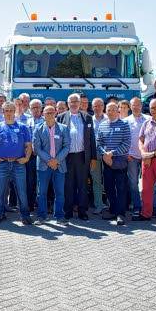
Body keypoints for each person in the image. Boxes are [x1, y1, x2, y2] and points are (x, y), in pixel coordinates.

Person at [0, 101, 33, 225]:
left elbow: (29, 145)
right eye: (6, 110)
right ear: (3, 112)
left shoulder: (23, 127)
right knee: (0, 192)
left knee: (22, 192)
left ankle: (25, 215)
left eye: (11, 110)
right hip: (2, 164)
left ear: (15, 111)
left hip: (18, 164)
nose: (9, 113)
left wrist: (27, 158)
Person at [57, 93, 97, 221]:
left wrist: (93, 158)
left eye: (76, 101)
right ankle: (67, 211)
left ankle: (82, 211)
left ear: (80, 103)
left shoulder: (87, 117)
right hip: (66, 156)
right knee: (68, 185)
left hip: (82, 156)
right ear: (68, 104)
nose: (74, 104)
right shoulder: (61, 117)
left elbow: (91, 138)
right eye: (71, 102)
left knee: (82, 185)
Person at [32, 105, 70, 224]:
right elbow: (36, 148)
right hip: (43, 165)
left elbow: (67, 146)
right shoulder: (38, 129)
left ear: (55, 113)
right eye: (47, 113)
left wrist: (56, 160)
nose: (49, 115)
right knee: (41, 192)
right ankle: (41, 216)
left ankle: (59, 216)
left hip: (59, 165)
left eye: (51, 112)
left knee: (60, 192)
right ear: (43, 114)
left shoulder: (64, 128)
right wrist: (49, 160)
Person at [96, 102, 131, 226]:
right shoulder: (102, 125)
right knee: (108, 187)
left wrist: (112, 153)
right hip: (106, 161)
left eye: (113, 110)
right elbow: (98, 143)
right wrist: (105, 154)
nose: (110, 112)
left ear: (118, 111)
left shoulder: (124, 125)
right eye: (108, 110)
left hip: (120, 160)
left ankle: (120, 214)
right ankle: (113, 210)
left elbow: (127, 143)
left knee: (121, 188)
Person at [125, 97, 151, 216]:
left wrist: (150, 154)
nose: (136, 107)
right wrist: (127, 153)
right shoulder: (126, 121)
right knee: (133, 183)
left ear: (141, 106)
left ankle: (153, 207)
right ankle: (137, 206)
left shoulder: (149, 119)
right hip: (132, 156)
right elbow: (124, 138)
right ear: (130, 106)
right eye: (133, 105)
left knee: (149, 183)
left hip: (146, 156)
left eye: (138, 105)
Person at [25, 99, 44, 210]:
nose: (36, 109)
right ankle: (30, 204)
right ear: (30, 109)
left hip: (43, 155)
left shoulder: (46, 120)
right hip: (30, 155)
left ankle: (43, 204)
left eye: (38, 107)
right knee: (30, 180)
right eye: (33, 107)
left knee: (43, 181)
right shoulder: (27, 122)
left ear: (41, 108)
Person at [90, 97, 108, 214]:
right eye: (95, 106)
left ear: (103, 106)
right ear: (92, 107)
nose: (97, 108)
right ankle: (99, 205)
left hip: (108, 154)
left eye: (100, 105)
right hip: (94, 155)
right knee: (96, 180)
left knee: (109, 180)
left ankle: (110, 204)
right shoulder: (88, 120)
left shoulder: (109, 119)